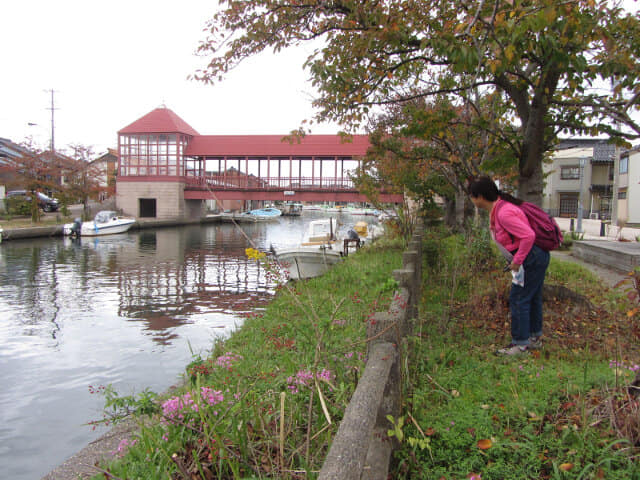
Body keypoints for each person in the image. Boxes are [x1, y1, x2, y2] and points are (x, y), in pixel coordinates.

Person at [468, 176, 550, 355]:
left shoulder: (504, 212)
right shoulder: (499, 209)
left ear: (480, 196)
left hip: (531, 257)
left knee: (519, 298)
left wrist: (517, 261)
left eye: (472, 196)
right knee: (532, 297)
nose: (472, 200)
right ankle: (533, 338)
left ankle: (520, 344)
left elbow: (528, 236)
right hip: (534, 256)